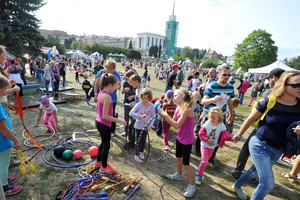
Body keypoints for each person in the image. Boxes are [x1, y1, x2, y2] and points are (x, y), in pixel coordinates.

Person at [232, 71, 300, 200]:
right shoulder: (271, 101)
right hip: (260, 144)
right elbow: (250, 119)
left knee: (254, 171)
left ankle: (237, 185)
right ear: (284, 85)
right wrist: (239, 135)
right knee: (267, 185)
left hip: (279, 149)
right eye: (297, 85)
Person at [230, 68, 285, 180]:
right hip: (280, 134)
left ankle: (239, 172)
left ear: (273, 78)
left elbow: (253, 116)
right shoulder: (291, 94)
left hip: (263, 128)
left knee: (247, 150)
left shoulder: (272, 93)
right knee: (266, 157)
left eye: (269, 79)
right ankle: (253, 175)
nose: (269, 82)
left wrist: (239, 134)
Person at [158, 89, 196, 198]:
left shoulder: (187, 110)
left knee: (186, 163)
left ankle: (191, 185)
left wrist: (165, 115)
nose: (173, 97)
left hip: (187, 140)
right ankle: (179, 175)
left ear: (182, 96)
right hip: (180, 138)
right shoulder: (178, 108)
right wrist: (165, 115)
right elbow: (172, 121)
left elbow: (176, 125)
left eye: (176, 95)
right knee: (178, 157)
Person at [195, 65, 235, 164]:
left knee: (219, 136)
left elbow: (230, 100)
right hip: (209, 115)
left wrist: (231, 113)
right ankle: (198, 152)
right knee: (203, 133)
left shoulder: (230, 88)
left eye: (229, 75)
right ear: (219, 74)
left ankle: (212, 156)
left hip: (221, 116)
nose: (226, 77)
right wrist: (213, 99)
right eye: (224, 74)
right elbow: (203, 101)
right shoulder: (211, 86)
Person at [94, 73, 127, 174]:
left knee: (103, 143)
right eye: (116, 85)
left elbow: (98, 111)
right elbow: (105, 115)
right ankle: (104, 167)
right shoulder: (107, 97)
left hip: (99, 122)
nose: (116, 88)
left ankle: (98, 161)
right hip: (104, 124)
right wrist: (120, 120)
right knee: (106, 145)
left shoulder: (101, 93)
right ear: (110, 85)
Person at [195, 107, 235, 185]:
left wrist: (232, 138)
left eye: (214, 118)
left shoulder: (221, 125)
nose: (211, 119)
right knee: (204, 161)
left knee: (205, 162)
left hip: (212, 147)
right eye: (210, 117)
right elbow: (201, 133)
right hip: (204, 145)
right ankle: (199, 176)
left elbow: (225, 135)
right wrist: (207, 140)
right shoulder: (207, 123)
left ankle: (199, 172)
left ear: (219, 117)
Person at [0, 75, 23, 196]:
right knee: (3, 165)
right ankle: (4, 187)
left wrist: (11, 130)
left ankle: (3, 179)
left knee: (3, 164)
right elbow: (2, 128)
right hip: (2, 142)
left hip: (3, 138)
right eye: (5, 88)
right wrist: (15, 140)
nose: (6, 91)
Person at [94, 59, 121, 136]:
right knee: (101, 113)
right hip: (102, 97)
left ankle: (111, 130)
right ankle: (102, 128)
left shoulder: (116, 74)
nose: (109, 70)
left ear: (114, 69)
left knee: (111, 114)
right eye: (107, 68)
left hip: (112, 99)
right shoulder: (101, 73)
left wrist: (112, 88)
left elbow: (119, 85)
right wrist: (96, 94)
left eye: (111, 69)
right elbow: (96, 84)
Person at [129, 88, 155, 163]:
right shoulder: (138, 104)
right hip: (138, 126)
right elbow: (131, 113)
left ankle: (141, 151)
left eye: (147, 98)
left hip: (146, 127)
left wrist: (150, 125)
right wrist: (139, 116)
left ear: (150, 98)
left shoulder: (152, 106)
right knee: (138, 140)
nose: (145, 100)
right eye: (143, 98)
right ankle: (136, 155)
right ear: (141, 97)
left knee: (143, 140)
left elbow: (153, 116)